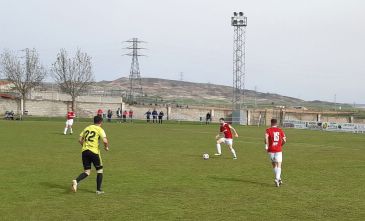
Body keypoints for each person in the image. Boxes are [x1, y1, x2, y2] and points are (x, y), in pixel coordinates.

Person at [71, 115, 109, 194]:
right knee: (99, 170)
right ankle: (98, 190)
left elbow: (79, 140)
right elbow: (105, 141)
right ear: (100, 122)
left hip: (84, 151)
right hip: (94, 152)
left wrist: (85, 146)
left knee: (87, 172)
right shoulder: (100, 129)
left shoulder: (87, 128)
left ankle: (76, 181)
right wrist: (106, 147)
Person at [265, 118, 287, 187]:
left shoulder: (268, 130)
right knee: (279, 164)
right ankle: (277, 179)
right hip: (278, 149)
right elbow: (285, 140)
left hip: (271, 149)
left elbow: (265, 138)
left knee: (274, 165)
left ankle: (278, 179)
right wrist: (281, 145)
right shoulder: (280, 130)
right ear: (276, 123)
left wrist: (266, 145)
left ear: (271, 123)